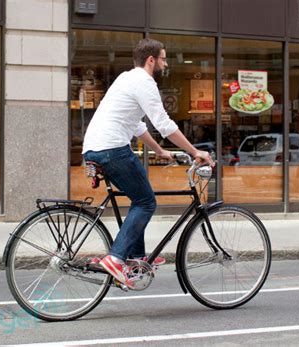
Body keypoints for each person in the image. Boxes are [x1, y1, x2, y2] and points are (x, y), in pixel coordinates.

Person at [82, 38, 215, 289]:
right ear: (151, 60)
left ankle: (135, 260)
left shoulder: (125, 78)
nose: (165, 64)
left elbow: (137, 125)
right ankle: (117, 258)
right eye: (163, 59)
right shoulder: (145, 82)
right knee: (146, 202)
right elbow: (163, 124)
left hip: (94, 147)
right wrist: (195, 151)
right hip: (112, 148)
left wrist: (159, 150)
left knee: (138, 200)